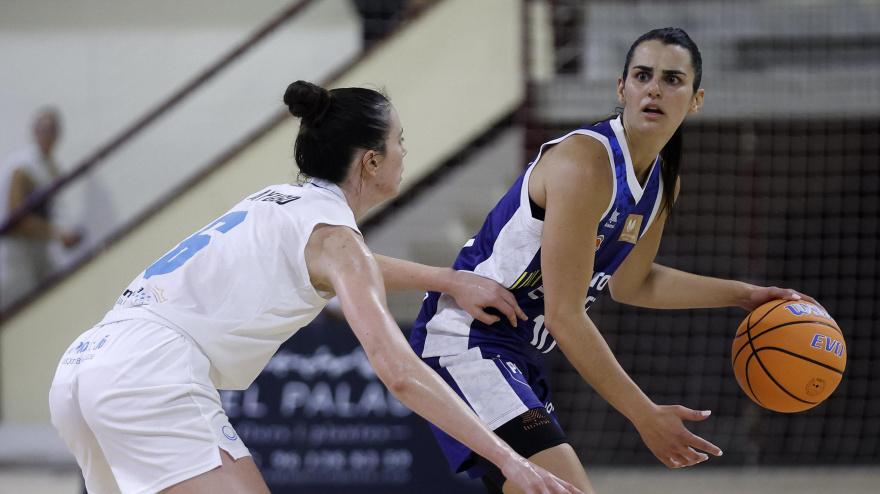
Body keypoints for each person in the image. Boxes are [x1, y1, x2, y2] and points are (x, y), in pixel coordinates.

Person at [48, 81, 580, 494]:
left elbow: (350, 266)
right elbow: (399, 374)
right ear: (371, 162)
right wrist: (509, 459)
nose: (403, 153)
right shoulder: (333, 239)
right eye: (400, 143)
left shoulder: (277, 200)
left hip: (85, 366)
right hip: (150, 376)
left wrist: (447, 279)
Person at [408, 27, 816, 494]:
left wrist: (743, 294)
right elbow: (565, 315)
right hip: (469, 339)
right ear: (621, 88)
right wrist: (645, 415)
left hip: (520, 352)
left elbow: (633, 284)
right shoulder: (586, 163)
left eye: (672, 79)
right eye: (643, 76)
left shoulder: (661, 181)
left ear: (696, 98)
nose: (655, 89)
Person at [0, 108, 81, 309]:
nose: (47, 136)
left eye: (51, 130)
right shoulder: (22, 168)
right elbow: (16, 219)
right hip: (14, 257)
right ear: (35, 132)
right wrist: (57, 234)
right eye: (43, 130)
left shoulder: (51, 168)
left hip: (37, 254)